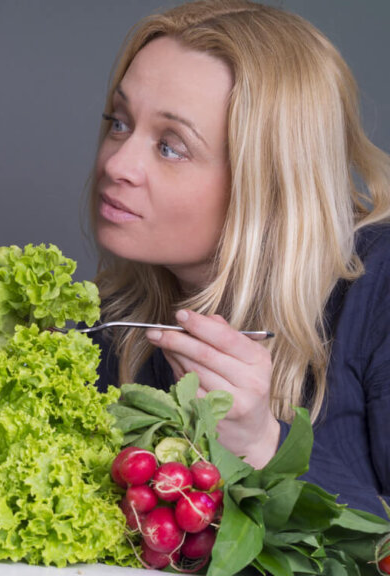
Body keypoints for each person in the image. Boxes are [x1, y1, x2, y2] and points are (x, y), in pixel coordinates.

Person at [89, 0, 390, 517]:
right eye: (119, 122)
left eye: (171, 146)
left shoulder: (379, 286)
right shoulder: (108, 321)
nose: (117, 163)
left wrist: (264, 448)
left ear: (267, 182)